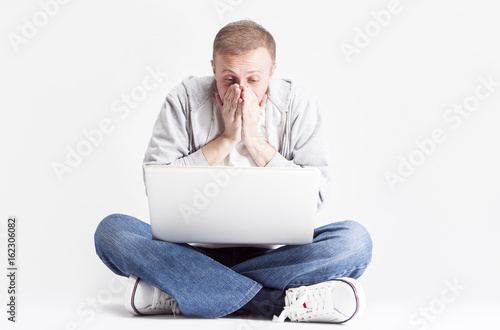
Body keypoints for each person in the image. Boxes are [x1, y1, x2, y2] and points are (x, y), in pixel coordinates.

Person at [94, 19, 372, 324]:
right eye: (229, 78)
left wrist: (253, 140)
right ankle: (273, 303)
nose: (241, 91)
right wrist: (227, 139)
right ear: (213, 69)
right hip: (192, 251)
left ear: (272, 72)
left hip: (273, 258)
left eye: (253, 79)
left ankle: (183, 289)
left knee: (355, 242)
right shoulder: (184, 99)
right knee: (113, 232)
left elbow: (315, 196)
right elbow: (157, 181)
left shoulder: (299, 104)